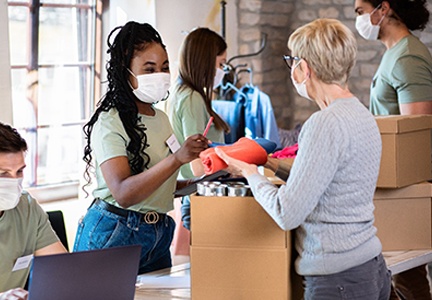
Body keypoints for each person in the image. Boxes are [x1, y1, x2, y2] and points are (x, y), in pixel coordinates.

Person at [215, 18, 391, 299]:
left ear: (305, 68)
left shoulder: (323, 124)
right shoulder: (361, 114)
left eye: (293, 61)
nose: (292, 69)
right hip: (369, 267)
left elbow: (287, 213)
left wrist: (249, 173)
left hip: (338, 279)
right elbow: (327, 182)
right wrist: (269, 163)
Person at [72, 21, 209, 274]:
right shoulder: (110, 120)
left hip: (158, 232)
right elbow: (124, 193)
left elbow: (160, 184)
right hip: (115, 231)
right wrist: (178, 159)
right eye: (149, 69)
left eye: (164, 68)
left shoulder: (161, 118)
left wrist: (205, 182)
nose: (159, 75)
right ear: (126, 71)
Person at [354, 1, 432, 298]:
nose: (358, 18)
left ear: (382, 9)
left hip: (408, 184)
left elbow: (416, 134)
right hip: (395, 180)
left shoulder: (407, 57)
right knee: (402, 277)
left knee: (408, 276)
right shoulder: (395, 54)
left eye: (361, 10)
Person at [162, 27, 230, 230]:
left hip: (194, 195)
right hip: (202, 196)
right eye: (221, 64)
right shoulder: (192, 98)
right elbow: (198, 165)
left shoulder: (178, 91)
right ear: (206, 61)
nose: (223, 71)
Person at [0, 122, 67, 300]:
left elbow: (63, 270)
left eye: (19, 171)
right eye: (3, 174)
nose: (14, 181)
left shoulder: (27, 207)